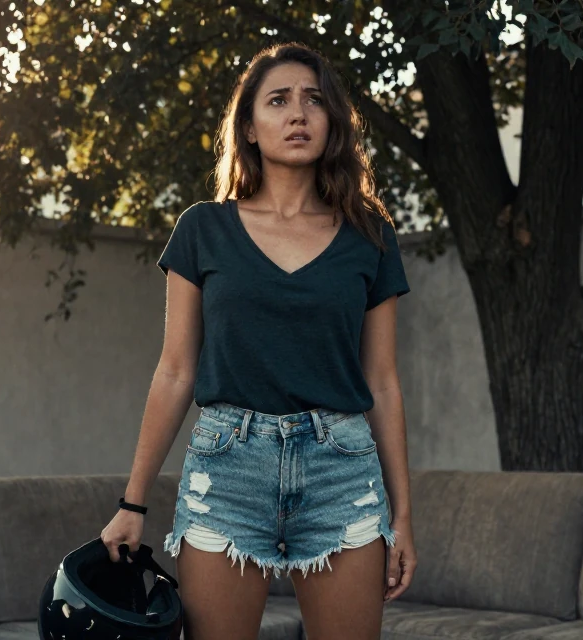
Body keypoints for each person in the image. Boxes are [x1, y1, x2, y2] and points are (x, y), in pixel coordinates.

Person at [100, 41, 417, 640]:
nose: (298, 114)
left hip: (341, 472)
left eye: (314, 100)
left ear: (333, 123)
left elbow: (383, 381)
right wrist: (133, 502)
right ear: (248, 126)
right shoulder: (203, 229)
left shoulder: (369, 236)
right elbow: (174, 370)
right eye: (279, 100)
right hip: (227, 470)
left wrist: (402, 518)